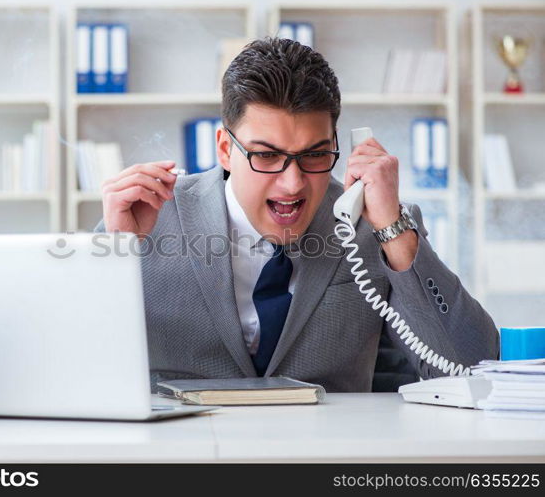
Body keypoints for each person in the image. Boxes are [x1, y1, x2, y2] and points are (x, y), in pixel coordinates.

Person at [100, 37, 499, 392]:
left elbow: (477, 371)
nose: (292, 184)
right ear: (225, 150)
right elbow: (82, 370)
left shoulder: (375, 225)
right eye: (267, 155)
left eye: (314, 155)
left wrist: (394, 232)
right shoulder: (149, 217)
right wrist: (118, 255)